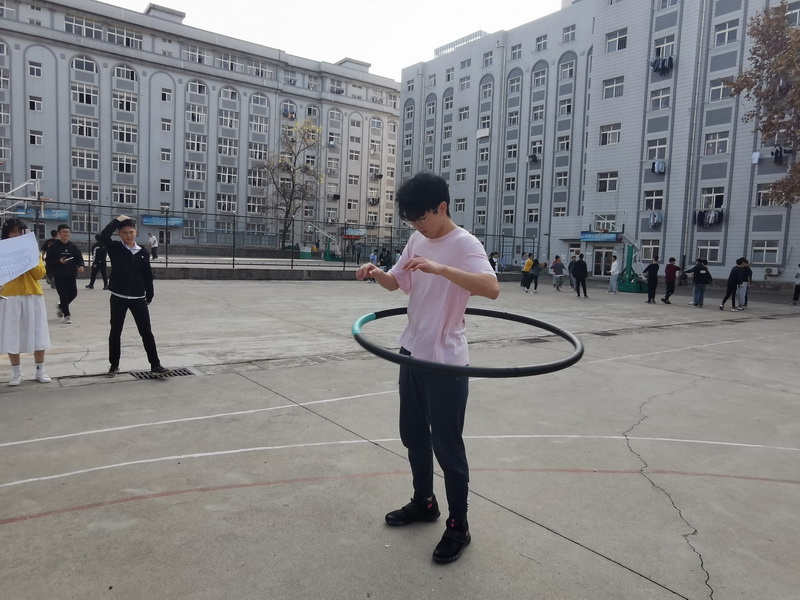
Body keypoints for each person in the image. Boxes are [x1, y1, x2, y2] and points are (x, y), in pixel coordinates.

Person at [355, 172, 499, 564]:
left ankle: (459, 526)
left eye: (422, 218)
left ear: (442, 207)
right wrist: (376, 273)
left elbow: (491, 288)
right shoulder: (417, 238)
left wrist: (441, 269)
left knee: (447, 448)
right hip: (412, 353)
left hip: (447, 362)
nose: (417, 226)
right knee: (413, 437)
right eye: (411, 220)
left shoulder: (465, 243)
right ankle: (425, 502)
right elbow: (397, 283)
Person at [100, 215, 171, 377]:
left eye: (131, 232)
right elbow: (104, 235)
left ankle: (155, 365)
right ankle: (114, 365)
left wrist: (149, 293)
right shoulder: (115, 248)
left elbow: (147, 275)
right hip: (118, 297)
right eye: (125, 232)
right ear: (119, 233)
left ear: (136, 232)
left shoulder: (142, 252)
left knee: (146, 332)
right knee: (115, 331)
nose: (128, 235)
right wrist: (117, 221)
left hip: (138, 298)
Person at [0, 218, 52, 386]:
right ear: (7, 234)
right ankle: (16, 373)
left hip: (32, 294)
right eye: (12, 232)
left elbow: (40, 274)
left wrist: (28, 255)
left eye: (19, 232)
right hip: (10, 295)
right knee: (12, 334)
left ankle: (40, 370)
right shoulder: (2, 251)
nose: (16, 235)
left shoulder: (32, 250)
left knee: (38, 332)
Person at [45, 224, 85, 324]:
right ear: (59, 233)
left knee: (73, 294)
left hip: (71, 274)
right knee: (63, 295)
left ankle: (61, 306)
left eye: (67, 232)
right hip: (59, 275)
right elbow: (48, 261)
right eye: (63, 232)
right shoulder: (53, 247)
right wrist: (58, 261)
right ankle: (67, 315)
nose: (66, 234)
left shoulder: (73, 247)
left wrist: (81, 266)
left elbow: (79, 258)